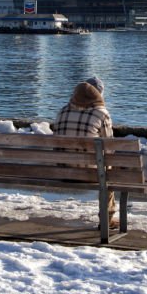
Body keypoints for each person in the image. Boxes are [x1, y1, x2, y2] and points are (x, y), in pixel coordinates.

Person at [54, 76, 117, 229]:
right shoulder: (101, 113)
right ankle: (107, 219)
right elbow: (109, 147)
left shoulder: (63, 111)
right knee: (108, 169)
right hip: (90, 175)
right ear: (98, 95)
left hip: (61, 171)